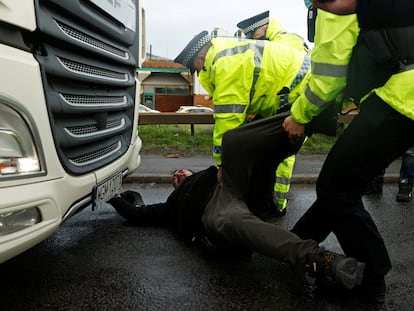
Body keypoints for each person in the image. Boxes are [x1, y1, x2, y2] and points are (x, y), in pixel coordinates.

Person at [283, 0, 414, 304]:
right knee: (344, 184)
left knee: (336, 187)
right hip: (403, 93)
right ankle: (294, 244)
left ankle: (370, 280)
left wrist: (299, 115)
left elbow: (329, 76)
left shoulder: (332, 7)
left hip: (399, 99)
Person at [108, 163, 365, 290]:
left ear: (190, 172)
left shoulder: (209, 173)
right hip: (215, 214)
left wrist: (225, 169)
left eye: (180, 172)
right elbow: (136, 214)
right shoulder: (169, 206)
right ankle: (323, 260)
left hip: (235, 192)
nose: (177, 176)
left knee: (250, 165)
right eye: (174, 177)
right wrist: (114, 196)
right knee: (247, 226)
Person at [236, 11, 308, 215]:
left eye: (252, 35)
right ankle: (267, 201)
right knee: (272, 156)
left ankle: (277, 204)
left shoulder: (285, 41)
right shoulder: (278, 40)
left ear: (263, 28)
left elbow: (274, 79)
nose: (251, 39)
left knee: (283, 158)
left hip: (291, 108)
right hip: (283, 107)